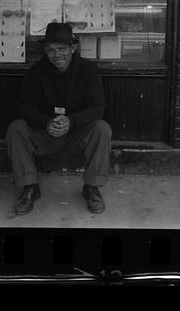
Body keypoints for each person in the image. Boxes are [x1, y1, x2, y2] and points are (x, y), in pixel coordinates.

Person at [6, 22, 112, 215]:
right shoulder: (37, 72)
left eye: (62, 49)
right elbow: (24, 107)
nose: (56, 55)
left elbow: (98, 108)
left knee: (102, 128)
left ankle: (91, 187)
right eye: (51, 50)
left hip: (76, 135)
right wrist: (45, 123)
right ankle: (29, 187)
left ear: (73, 48)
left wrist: (72, 121)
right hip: (46, 135)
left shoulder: (88, 71)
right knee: (16, 128)